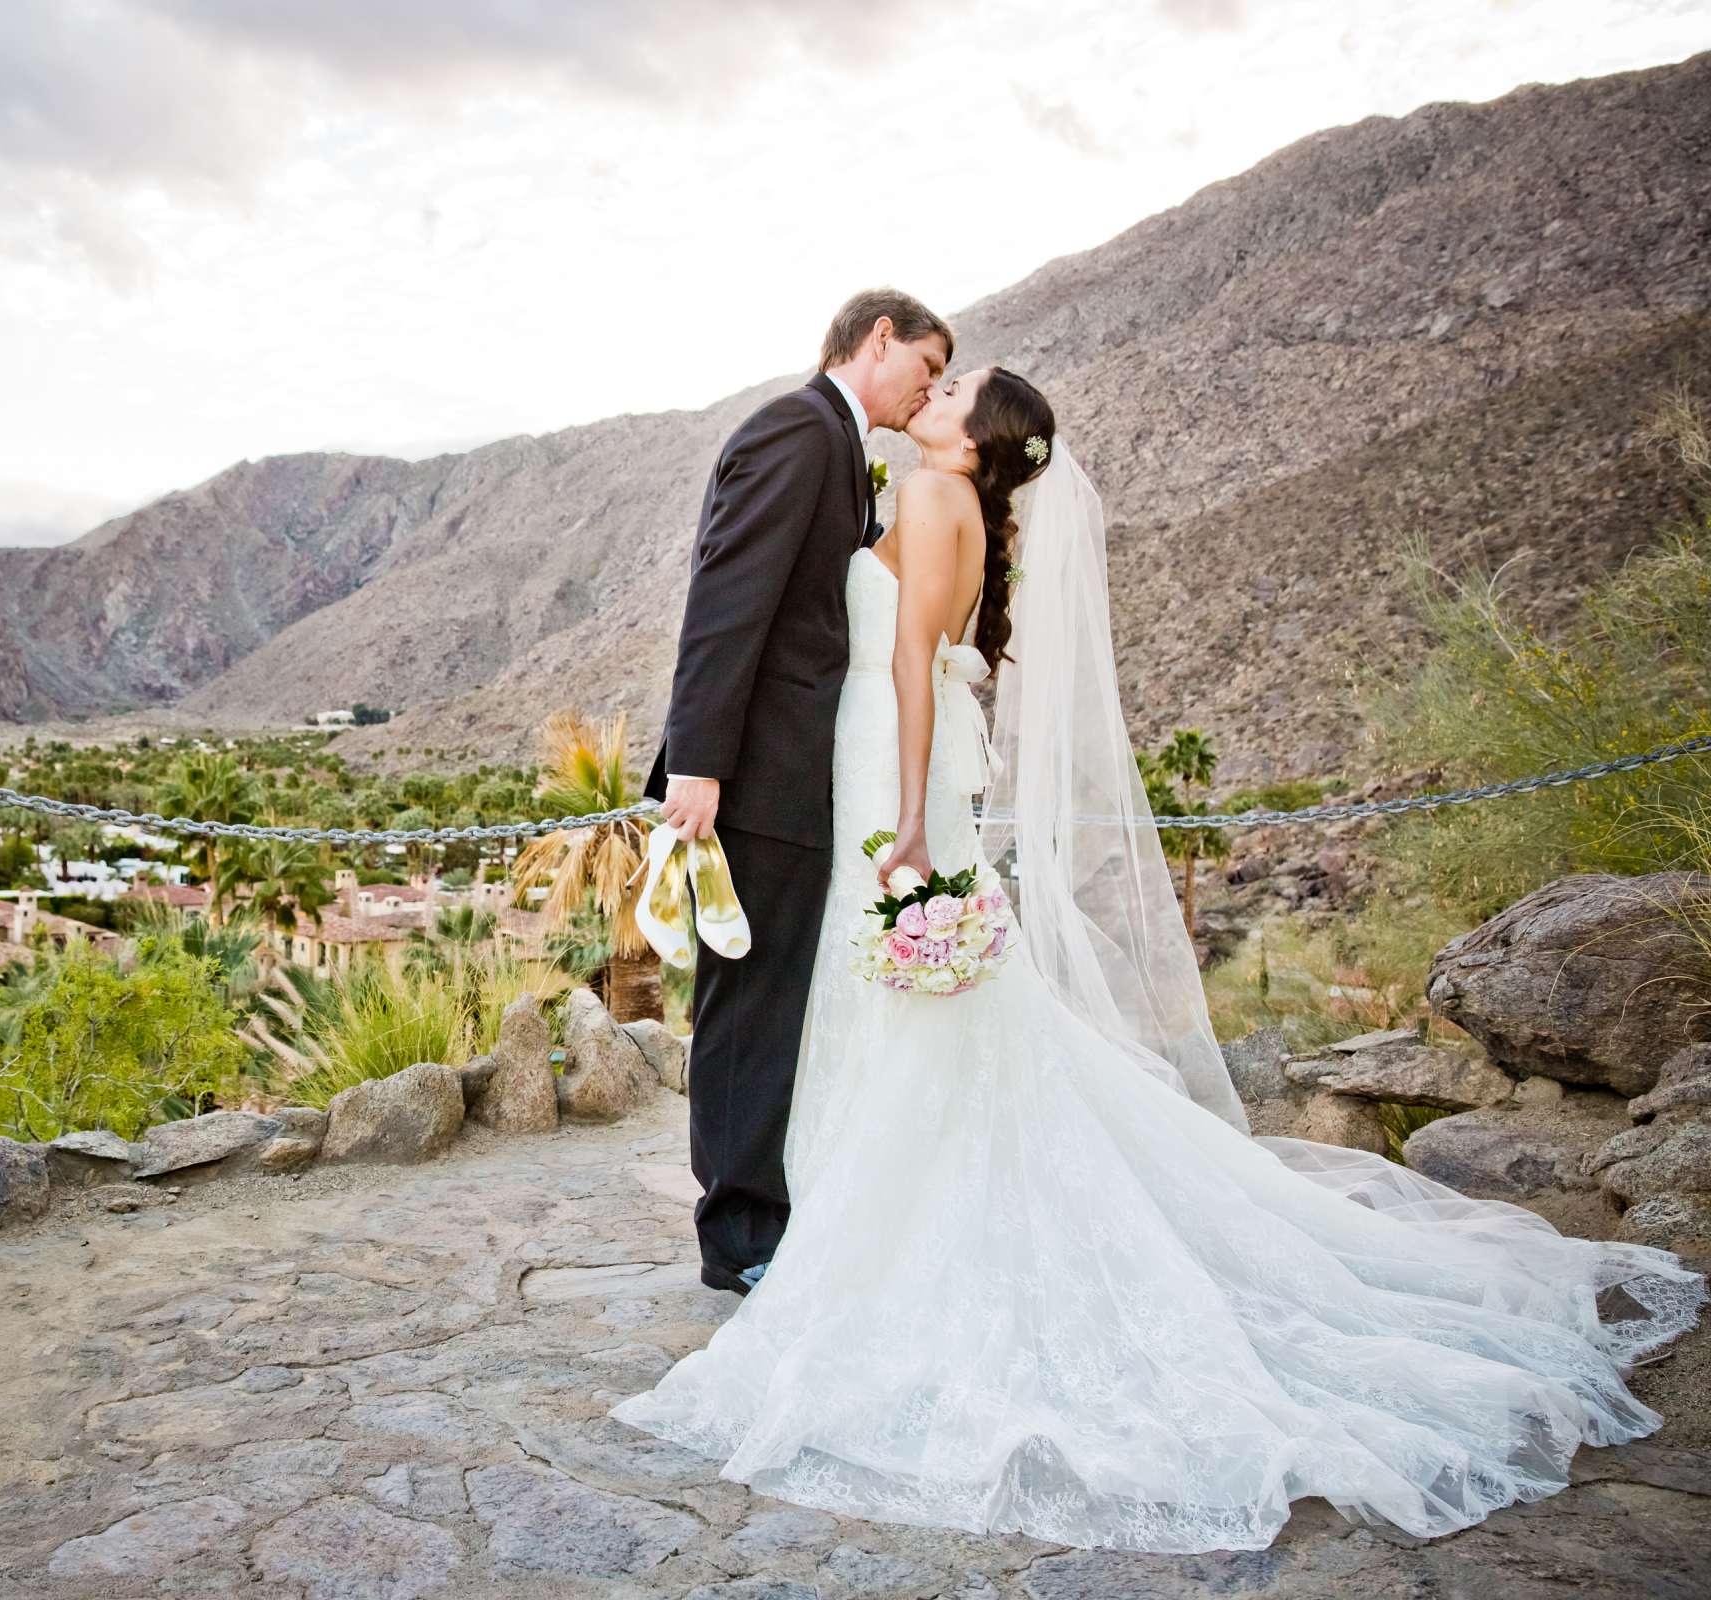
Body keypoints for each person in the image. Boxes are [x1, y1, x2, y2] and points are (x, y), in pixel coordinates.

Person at [615, 364, 1705, 1552]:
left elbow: (913, 663)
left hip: (896, 771)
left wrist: (917, 821)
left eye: (956, 386)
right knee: (913, 1010)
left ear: (979, 440)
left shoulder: (935, 502)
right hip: (888, 766)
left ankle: (879, 1242)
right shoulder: (950, 502)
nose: (939, 387)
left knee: (904, 1008)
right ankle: (854, 1222)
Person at [646, 288, 951, 1294]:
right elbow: (728, 597)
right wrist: (699, 763)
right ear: (878, 340)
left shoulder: (843, 446)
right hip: (753, 774)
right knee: (749, 1001)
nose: (929, 390)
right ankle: (735, 1237)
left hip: (800, 772)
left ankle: (766, 1208)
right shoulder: (796, 431)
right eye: (927, 367)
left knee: (778, 998)